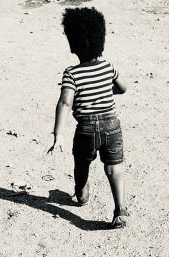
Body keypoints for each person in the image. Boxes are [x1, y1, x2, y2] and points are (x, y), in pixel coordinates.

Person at [48, 7, 130, 229]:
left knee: (82, 163)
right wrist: (105, 91)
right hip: (112, 125)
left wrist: (59, 136)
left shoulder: (72, 73)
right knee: (115, 167)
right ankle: (120, 210)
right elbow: (122, 88)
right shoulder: (107, 66)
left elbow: (65, 102)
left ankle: (82, 193)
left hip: (86, 129)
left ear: (73, 44)